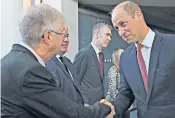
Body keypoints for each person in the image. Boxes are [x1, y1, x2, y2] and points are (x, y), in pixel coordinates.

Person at [1, 4, 115, 118]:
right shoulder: (31, 71)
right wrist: (105, 108)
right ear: (48, 37)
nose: (64, 39)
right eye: (62, 34)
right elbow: (69, 114)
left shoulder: (8, 61)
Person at [111, 1, 175, 118]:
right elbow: (126, 94)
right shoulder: (125, 58)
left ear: (138, 15)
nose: (120, 32)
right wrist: (110, 109)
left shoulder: (172, 44)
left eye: (123, 24)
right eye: (117, 28)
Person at [73, 23, 112, 105]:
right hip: (87, 106)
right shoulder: (84, 54)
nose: (109, 39)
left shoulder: (101, 55)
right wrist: (82, 102)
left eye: (110, 36)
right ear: (97, 35)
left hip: (98, 105)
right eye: (107, 35)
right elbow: (74, 81)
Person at [45, 26, 84, 105]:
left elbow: (77, 88)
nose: (66, 40)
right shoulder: (47, 63)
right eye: (62, 36)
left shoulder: (68, 62)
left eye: (67, 36)